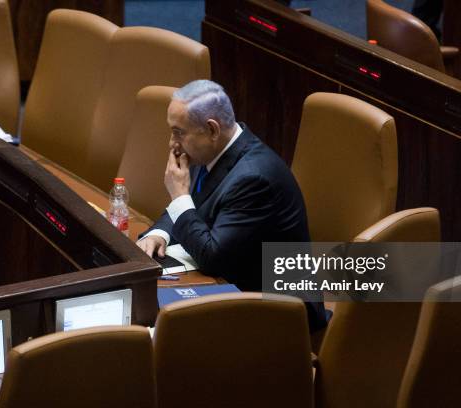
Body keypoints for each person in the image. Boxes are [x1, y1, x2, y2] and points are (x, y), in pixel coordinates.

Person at [137, 80, 327, 332]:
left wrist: (179, 196)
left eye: (179, 132)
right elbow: (192, 207)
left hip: (279, 311)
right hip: (233, 281)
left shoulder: (253, 178)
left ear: (212, 130)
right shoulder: (215, 153)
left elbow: (212, 257)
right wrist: (159, 232)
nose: (173, 142)